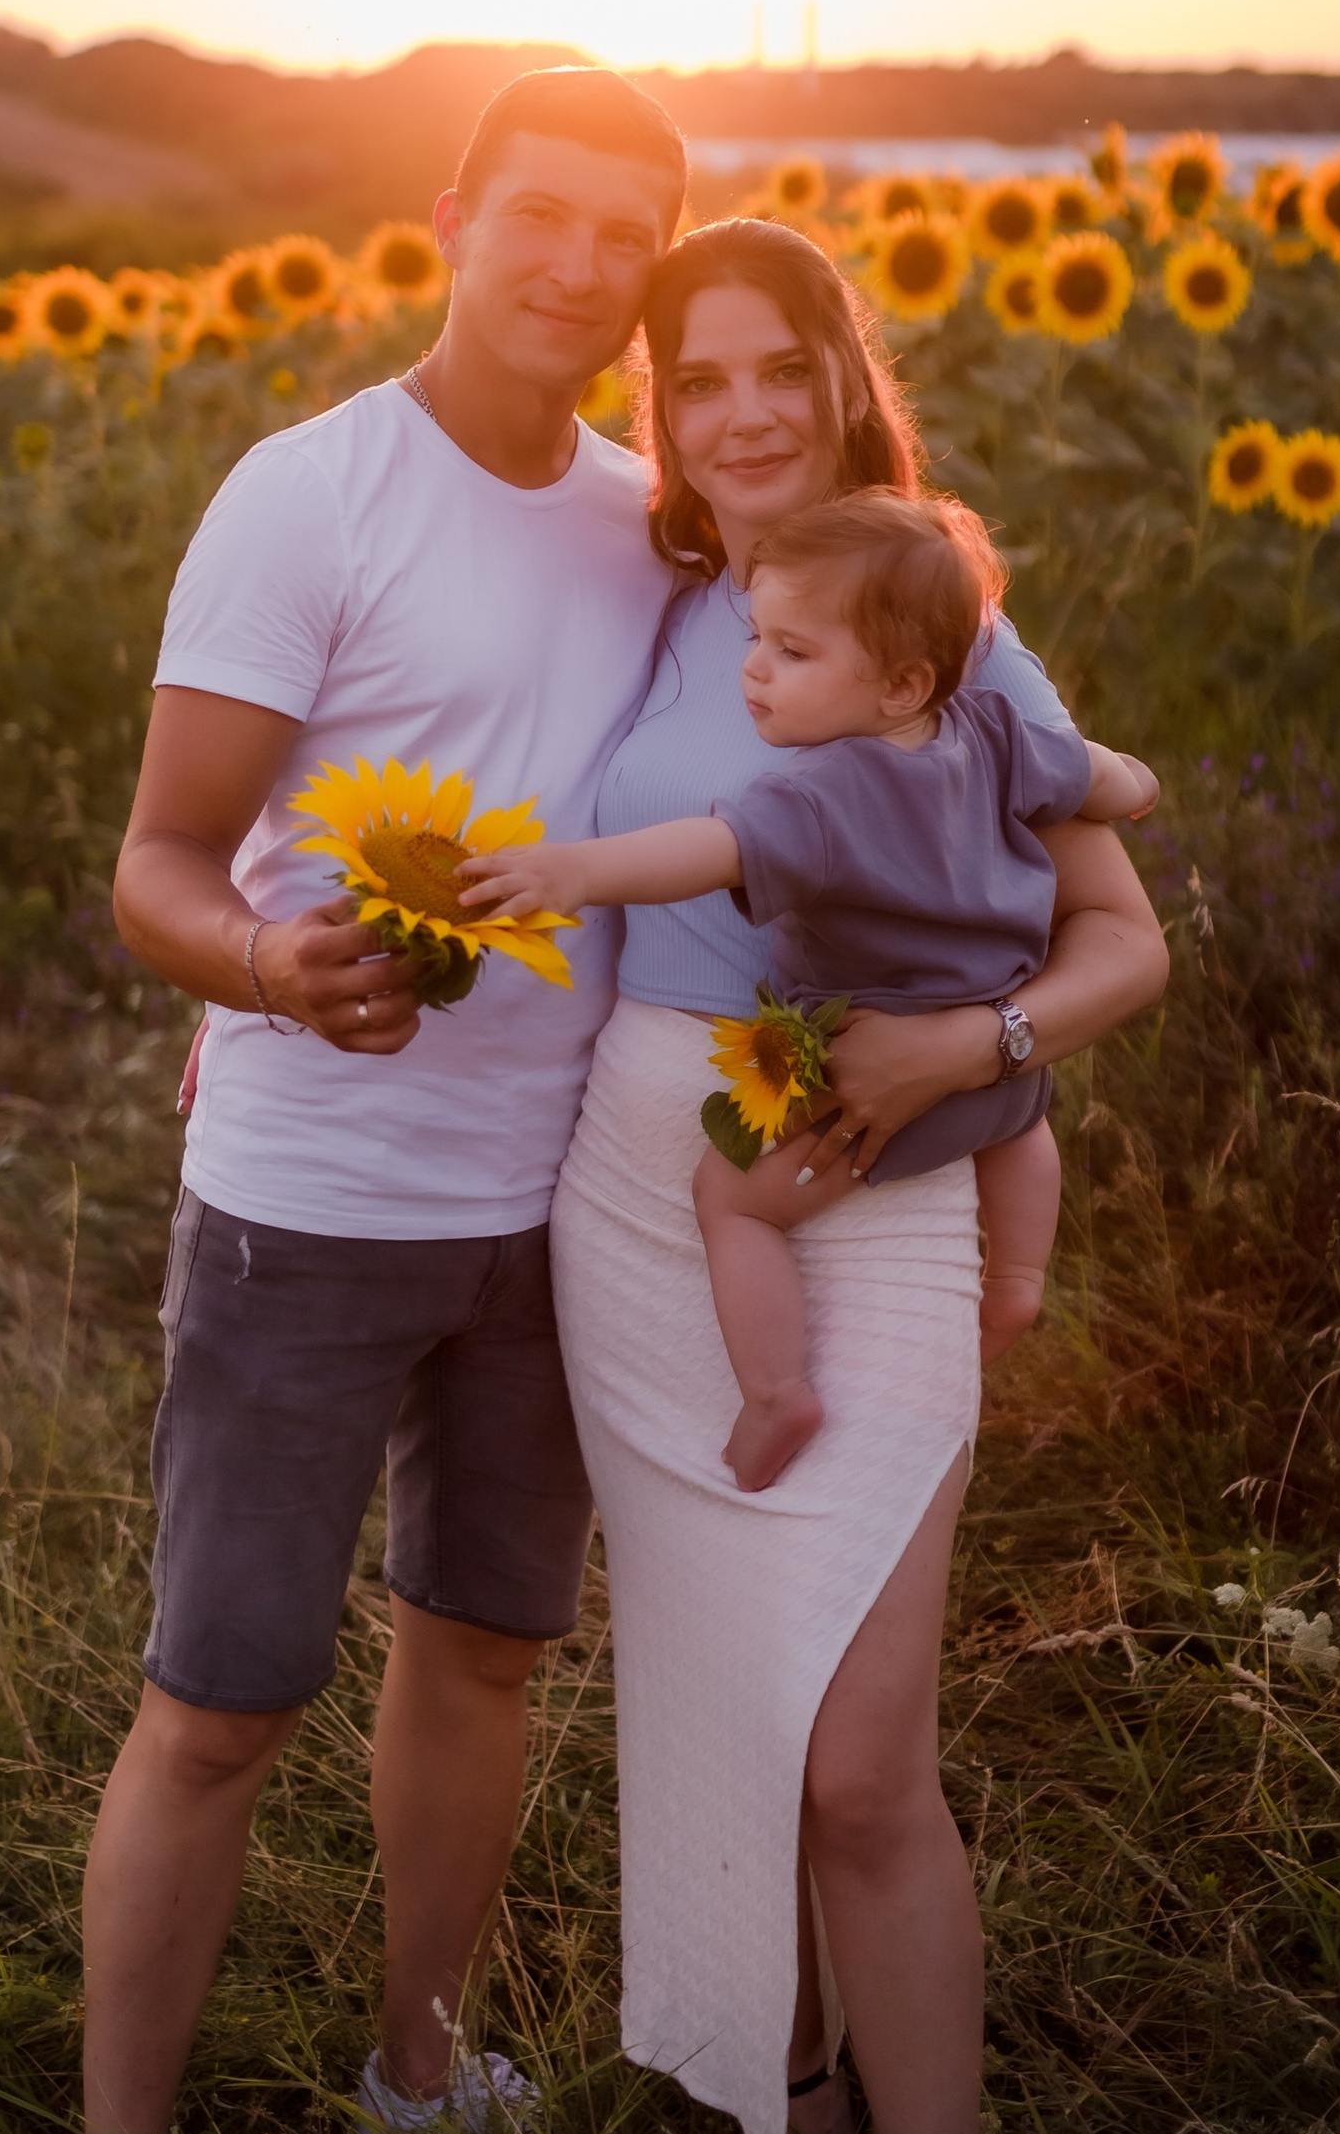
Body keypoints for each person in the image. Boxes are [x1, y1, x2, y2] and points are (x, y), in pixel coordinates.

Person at [46, 66, 688, 2134]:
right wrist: (261, 968)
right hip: (310, 1198)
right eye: (539, 213)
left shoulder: (655, 527)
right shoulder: (307, 492)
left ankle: (413, 2066)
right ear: (452, 219)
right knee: (221, 1700)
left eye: (622, 231)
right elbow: (158, 860)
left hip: (555, 1209)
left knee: (486, 1661)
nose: (575, 263)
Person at [544, 221, 1169, 2134]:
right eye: (690, 376)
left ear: (834, 373)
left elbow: (1123, 935)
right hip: (648, 1201)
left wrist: (957, 1049)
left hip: (875, 1184)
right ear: (662, 405)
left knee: (859, 1763)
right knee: (723, 1716)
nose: (734, 411)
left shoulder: (936, 621)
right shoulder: (640, 603)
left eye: (772, 367)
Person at [462, 488, 1158, 1492]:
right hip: (1006, 1067)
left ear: (898, 683)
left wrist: (574, 872)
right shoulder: (994, 731)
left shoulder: (821, 795)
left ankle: (775, 1389)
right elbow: (1097, 776)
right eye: (759, 640)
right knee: (1022, 1134)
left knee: (729, 1200)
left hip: (885, 1074)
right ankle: (1013, 1287)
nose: (754, 669)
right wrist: (1140, 784)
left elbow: (708, 848)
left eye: (793, 653)